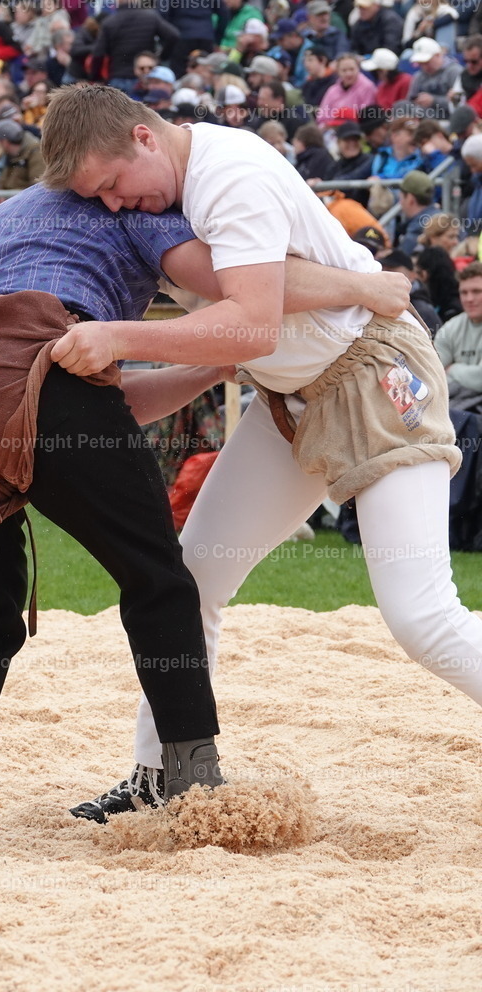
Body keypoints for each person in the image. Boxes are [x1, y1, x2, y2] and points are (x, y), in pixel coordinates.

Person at [0, 177, 411, 845]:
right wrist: (363, 288)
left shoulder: (5, 218)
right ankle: (192, 779)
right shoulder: (138, 205)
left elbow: (96, 417)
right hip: (40, 371)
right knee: (160, 580)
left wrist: (212, 369)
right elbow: (248, 292)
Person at [39, 84, 482, 822]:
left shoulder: (228, 172)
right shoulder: (174, 191)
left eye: (113, 185)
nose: (115, 206)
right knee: (191, 581)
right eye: (99, 198)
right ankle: (159, 774)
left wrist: (121, 340)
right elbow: (257, 303)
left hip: (373, 372)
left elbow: (250, 326)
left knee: (422, 615)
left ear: (145, 139)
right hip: (291, 395)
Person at [435, 259, 482, 412]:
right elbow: (433, 374)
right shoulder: (451, 327)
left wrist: (453, 369)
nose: (469, 299)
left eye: (477, 291)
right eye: (464, 292)